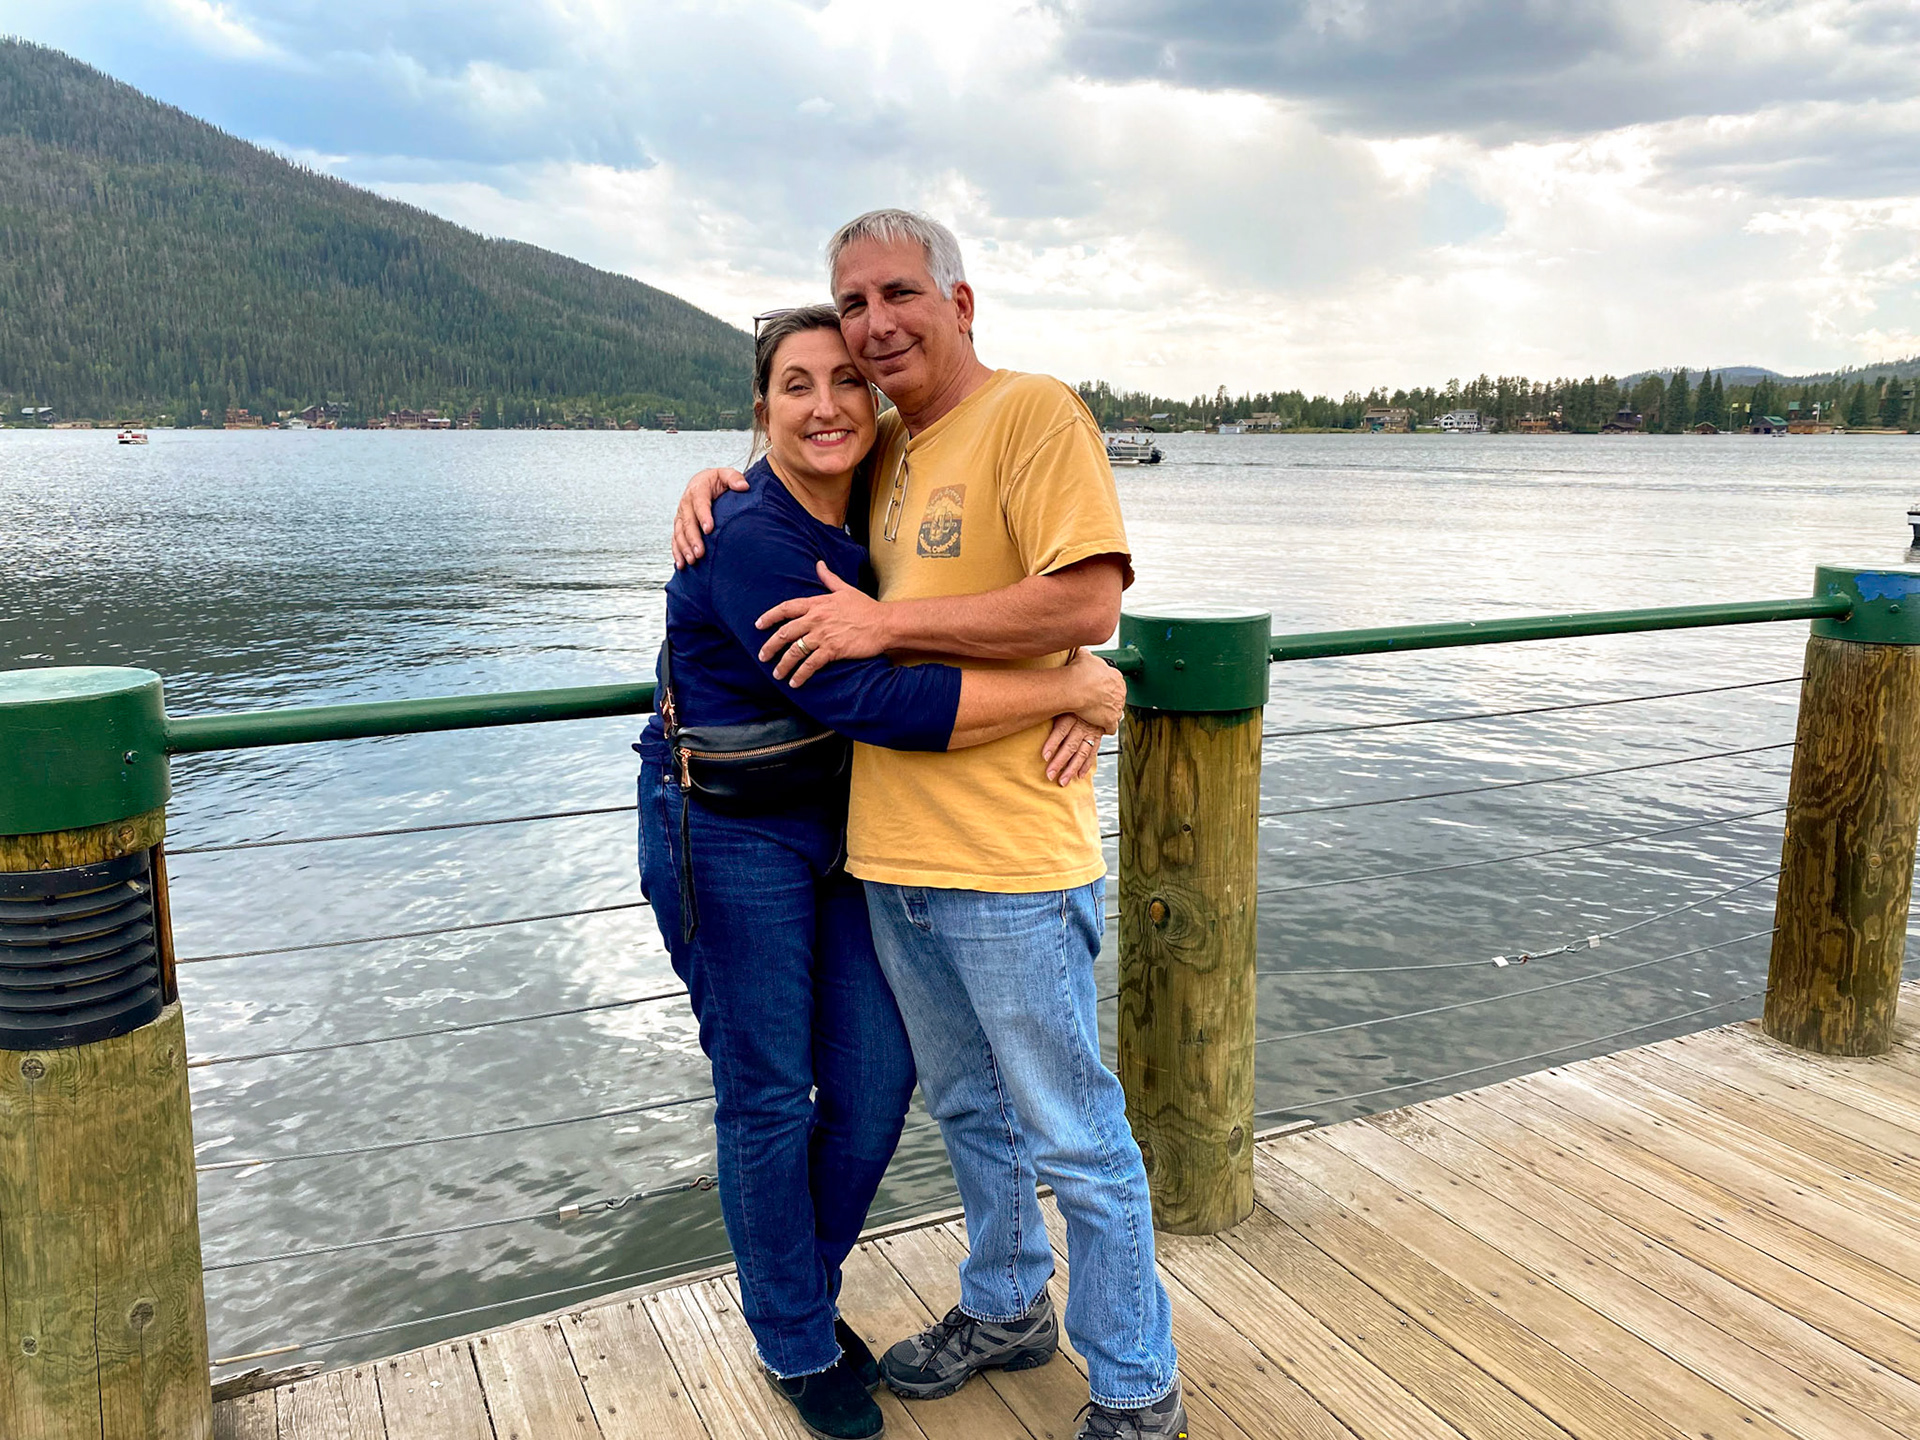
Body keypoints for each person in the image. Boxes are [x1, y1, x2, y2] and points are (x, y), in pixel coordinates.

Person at [673, 212, 1185, 1440]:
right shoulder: (893, 441)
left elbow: (1089, 599)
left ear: (961, 303)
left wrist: (937, 640)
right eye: (851, 305)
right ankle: (1008, 1304)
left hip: (1008, 857)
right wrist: (711, 481)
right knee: (964, 1108)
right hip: (889, 857)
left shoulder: (1034, 414)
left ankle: (1136, 1383)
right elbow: (800, 461)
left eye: (898, 294)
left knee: (1074, 1130)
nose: (874, 325)